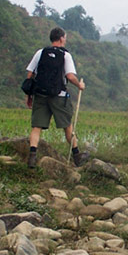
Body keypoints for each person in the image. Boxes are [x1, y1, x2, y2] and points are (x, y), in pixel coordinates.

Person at [25, 27, 89, 168]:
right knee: (67, 126)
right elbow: (70, 76)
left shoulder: (40, 52)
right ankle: (77, 156)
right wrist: (80, 85)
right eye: (65, 37)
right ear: (61, 38)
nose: (65, 40)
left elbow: (30, 75)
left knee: (36, 127)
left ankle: (32, 157)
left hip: (40, 94)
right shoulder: (65, 55)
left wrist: (29, 95)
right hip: (59, 96)